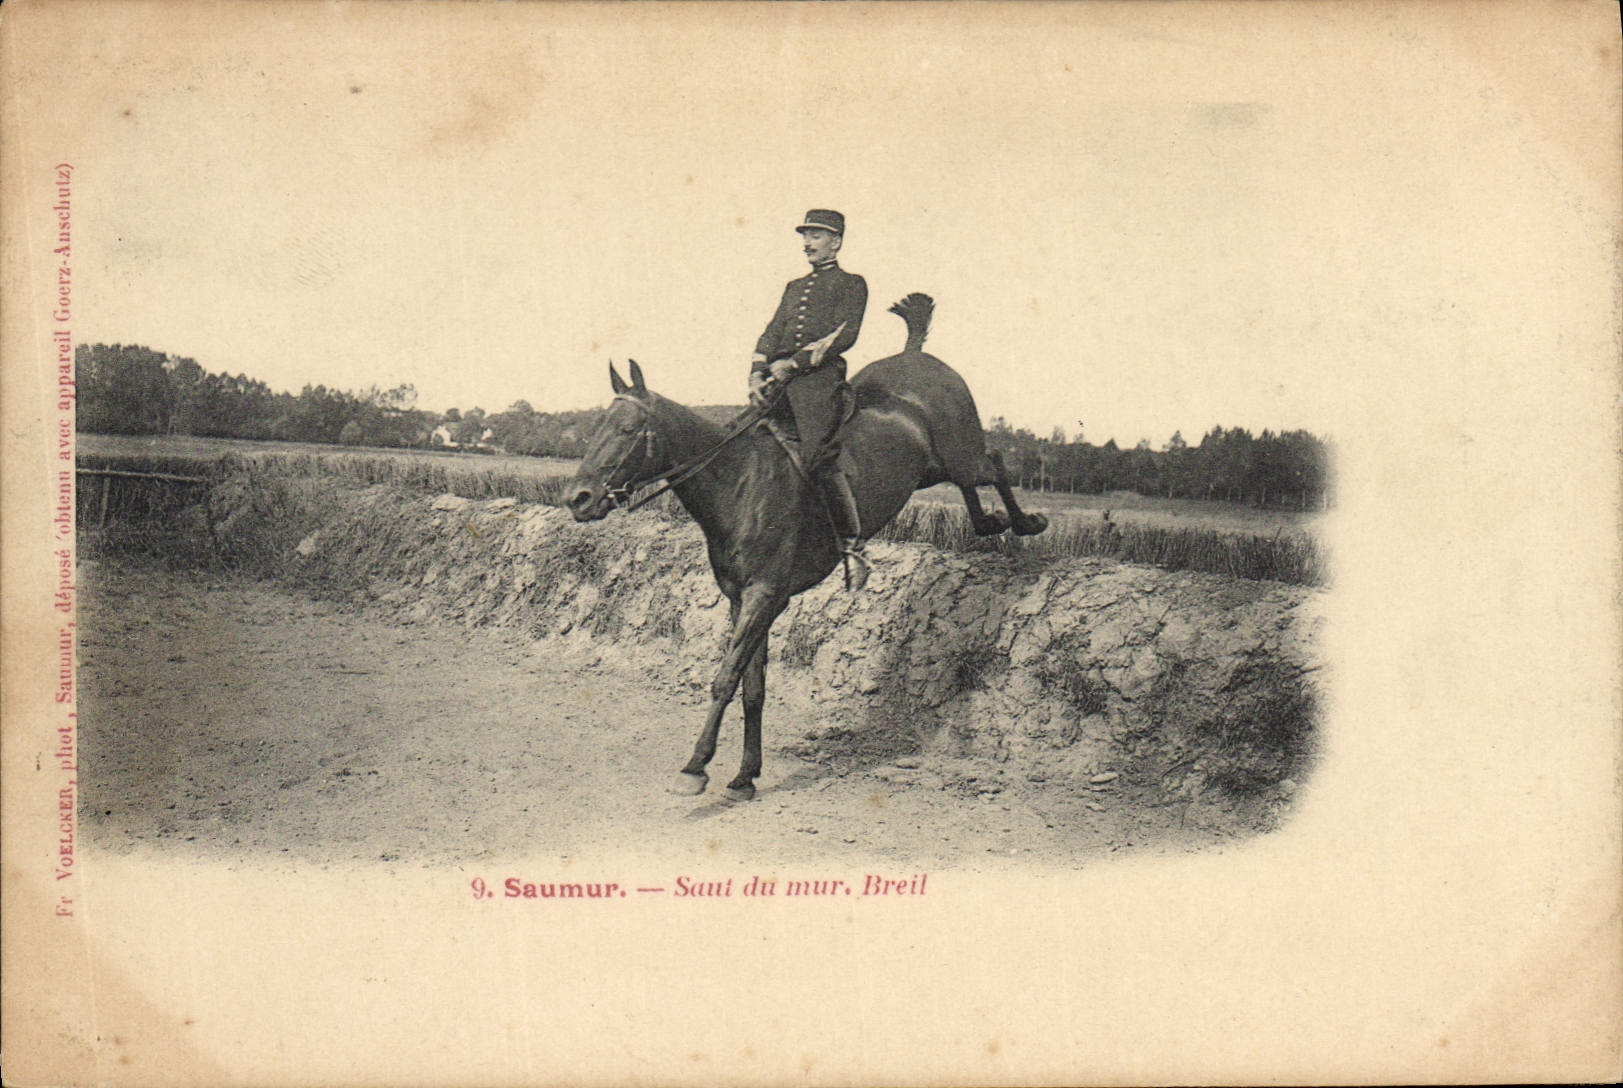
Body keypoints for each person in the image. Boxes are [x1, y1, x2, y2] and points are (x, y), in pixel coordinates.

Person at [748, 209, 871, 590]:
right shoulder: (793, 286)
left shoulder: (851, 284)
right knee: (745, 442)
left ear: (836, 241)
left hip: (818, 380)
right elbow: (772, 332)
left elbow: (843, 335)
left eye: (816, 236)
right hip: (777, 381)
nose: (807, 243)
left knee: (817, 454)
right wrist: (756, 372)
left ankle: (852, 548)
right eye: (805, 236)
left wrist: (796, 364)